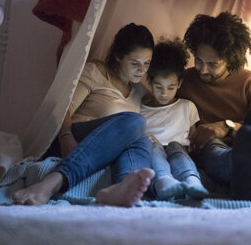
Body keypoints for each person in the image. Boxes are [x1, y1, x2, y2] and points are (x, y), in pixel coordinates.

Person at [13, 23, 156, 207]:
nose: (142, 70)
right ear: (118, 56)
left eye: (147, 63)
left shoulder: (139, 91)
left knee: (143, 139)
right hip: (78, 136)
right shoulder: (96, 71)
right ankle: (52, 182)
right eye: (135, 63)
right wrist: (65, 137)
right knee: (135, 121)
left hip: (108, 148)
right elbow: (63, 109)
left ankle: (123, 188)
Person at [178, 12, 251, 200]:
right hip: (207, 153)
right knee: (217, 156)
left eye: (213, 64)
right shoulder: (181, 81)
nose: (203, 69)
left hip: (241, 147)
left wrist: (226, 127)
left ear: (231, 60)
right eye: (198, 60)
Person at [141, 39, 209, 201]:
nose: (164, 94)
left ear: (179, 84)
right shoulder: (141, 108)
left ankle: (193, 182)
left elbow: (192, 137)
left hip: (179, 150)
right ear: (150, 82)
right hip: (154, 149)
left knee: (176, 148)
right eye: (159, 87)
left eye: (170, 87)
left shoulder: (187, 107)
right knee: (154, 148)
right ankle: (165, 182)